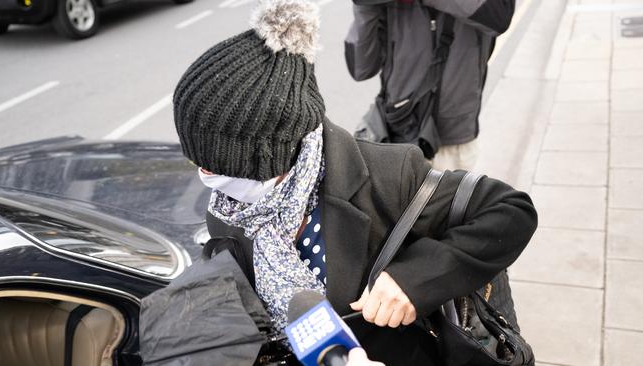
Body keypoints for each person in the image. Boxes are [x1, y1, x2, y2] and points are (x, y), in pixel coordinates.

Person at [173, 0, 536, 364]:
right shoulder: (229, 211)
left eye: (212, 165)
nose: (205, 176)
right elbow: (361, 63)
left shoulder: (387, 175)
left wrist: (415, 281)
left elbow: (510, 210)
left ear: (269, 155)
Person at [345, 0, 516, 171]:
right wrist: (364, 6)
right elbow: (361, 68)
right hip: (397, 133)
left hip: (452, 146)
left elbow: (499, 16)